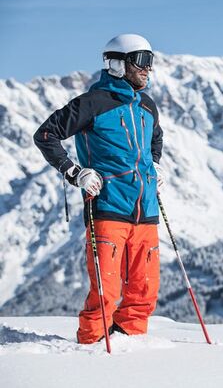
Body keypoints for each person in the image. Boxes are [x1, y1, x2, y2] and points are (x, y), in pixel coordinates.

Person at [33, 33, 164, 344]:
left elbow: (156, 138)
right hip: (108, 206)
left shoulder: (147, 105)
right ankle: (91, 348)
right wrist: (75, 173)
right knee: (106, 289)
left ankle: (129, 341)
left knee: (145, 290)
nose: (147, 69)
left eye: (151, 61)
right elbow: (46, 135)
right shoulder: (92, 103)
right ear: (117, 64)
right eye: (141, 61)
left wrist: (155, 165)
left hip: (146, 209)